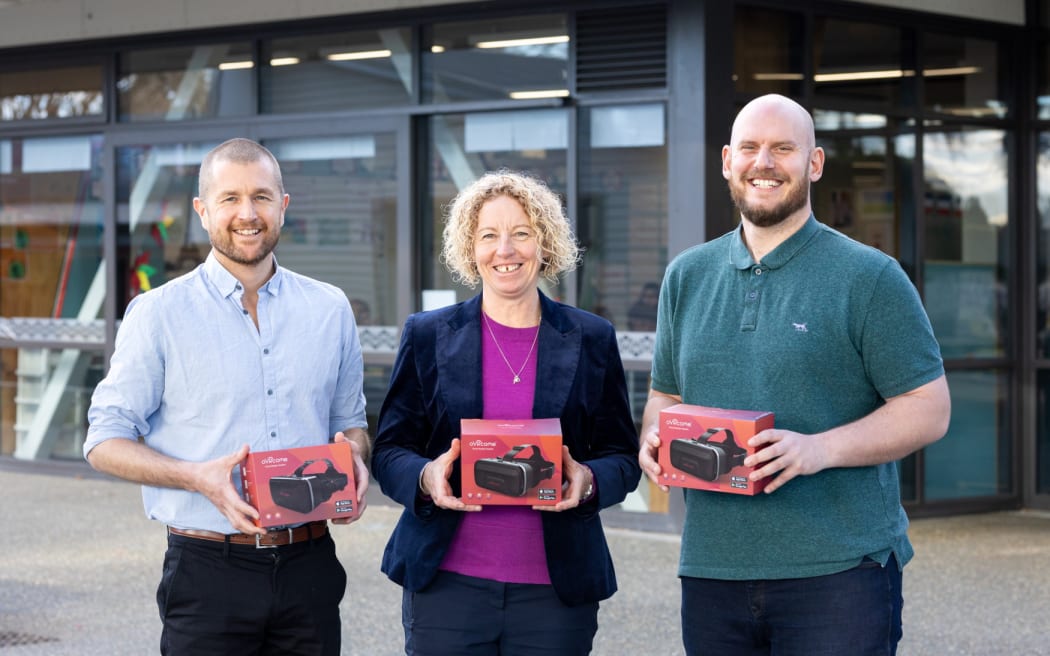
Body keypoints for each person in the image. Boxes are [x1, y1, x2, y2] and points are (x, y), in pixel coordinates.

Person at [638, 94, 951, 656]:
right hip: (713, 570)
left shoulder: (870, 276)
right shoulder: (686, 276)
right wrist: (653, 442)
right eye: (751, 149)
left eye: (783, 148)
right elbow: (666, 394)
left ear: (814, 164)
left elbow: (928, 408)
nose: (765, 162)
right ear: (728, 161)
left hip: (838, 573)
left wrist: (817, 450)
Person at [84, 137, 370, 655]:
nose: (247, 213)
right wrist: (196, 477)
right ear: (202, 210)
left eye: (261, 196)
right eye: (230, 198)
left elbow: (351, 422)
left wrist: (356, 459)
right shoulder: (158, 314)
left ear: (283, 205)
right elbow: (104, 440)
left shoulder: (330, 308)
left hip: (309, 566)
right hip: (207, 570)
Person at [371, 170, 641, 656]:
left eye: (521, 233)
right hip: (447, 588)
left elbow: (622, 455)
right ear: (470, 249)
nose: (506, 250)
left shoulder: (591, 337)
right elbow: (389, 451)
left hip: (554, 595)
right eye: (489, 236)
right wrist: (427, 475)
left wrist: (588, 481)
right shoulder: (428, 335)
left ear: (545, 243)